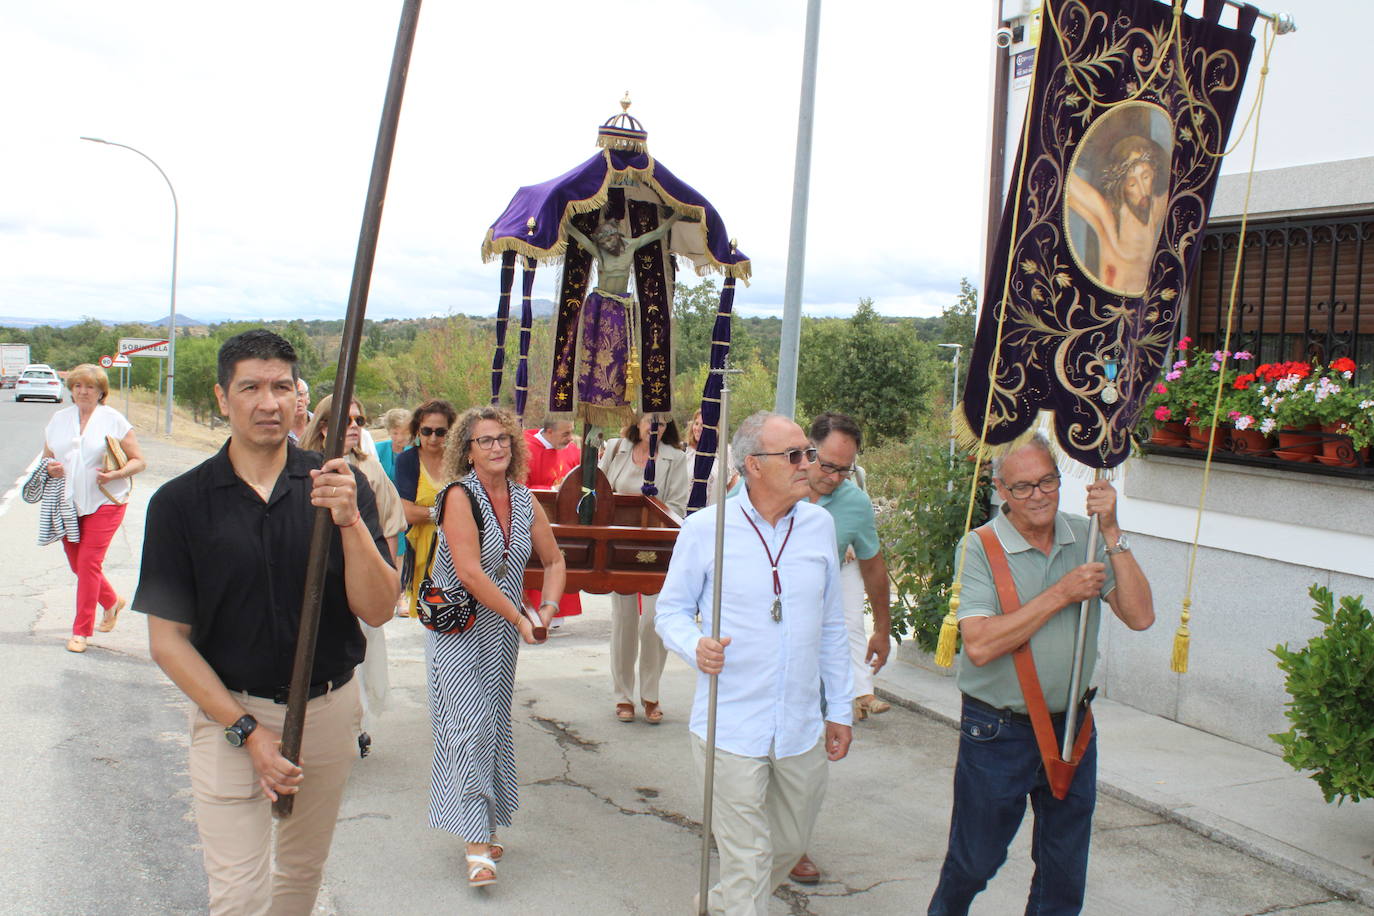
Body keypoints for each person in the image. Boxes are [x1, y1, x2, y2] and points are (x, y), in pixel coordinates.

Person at [133, 330, 398, 915]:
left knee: (300, 876)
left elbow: (379, 608)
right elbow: (167, 643)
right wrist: (247, 732)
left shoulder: (336, 485)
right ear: (223, 398)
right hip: (230, 715)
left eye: (282, 387)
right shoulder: (181, 504)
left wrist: (350, 521)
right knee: (240, 895)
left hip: (327, 711)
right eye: (250, 387)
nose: (268, 402)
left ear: (299, 400)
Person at [927, 434, 1154, 916]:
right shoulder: (980, 547)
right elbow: (981, 644)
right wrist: (1062, 592)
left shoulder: (1087, 538)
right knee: (974, 861)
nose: (1039, 495)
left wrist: (1112, 532)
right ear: (1001, 490)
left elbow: (1140, 616)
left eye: (1048, 482)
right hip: (997, 731)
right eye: (1024, 487)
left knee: (1064, 872)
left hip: (1073, 727)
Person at [656, 411, 852, 915]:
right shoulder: (706, 529)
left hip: (800, 726)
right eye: (794, 455)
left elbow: (832, 625)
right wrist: (694, 644)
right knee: (749, 858)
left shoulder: (819, 525)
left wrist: (841, 709)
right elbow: (670, 611)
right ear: (753, 466)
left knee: (786, 846)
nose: (807, 463)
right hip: (730, 725)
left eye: (807, 452)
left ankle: (722, 904)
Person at [426, 405, 566, 889]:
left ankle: (484, 826)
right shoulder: (457, 496)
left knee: (493, 725)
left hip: (503, 634)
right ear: (466, 450)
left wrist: (545, 610)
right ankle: (475, 845)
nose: (496, 447)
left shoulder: (526, 500)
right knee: (467, 725)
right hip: (459, 628)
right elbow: (467, 571)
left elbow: (554, 560)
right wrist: (520, 615)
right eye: (485, 440)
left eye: (503, 438)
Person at [786, 411, 893, 887]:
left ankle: (794, 844)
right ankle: (754, 835)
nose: (831, 477)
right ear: (808, 451)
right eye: (825, 465)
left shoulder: (853, 504)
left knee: (808, 752)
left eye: (842, 470)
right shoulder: (767, 486)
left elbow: (872, 566)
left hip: (818, 647)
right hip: (760, 642)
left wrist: (882, 627)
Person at [300, 395, 407, 758]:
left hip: (361, 577)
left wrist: (387, 580)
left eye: (360, 421)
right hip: (316, 583)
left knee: (357, 657)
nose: (355, 427)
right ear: (325, 425)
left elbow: (390, 526)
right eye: (346, 420)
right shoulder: (299, 466)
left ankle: (355, 728)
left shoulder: (369, 472)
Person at [41, 363, 146, 653]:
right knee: (77, 563)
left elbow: (139, 460)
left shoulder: (114, 420)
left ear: (101, 391)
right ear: (71, 389)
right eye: (77, 386)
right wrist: (51, 468)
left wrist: (115, 475)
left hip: (105, 501)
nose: (83, 391)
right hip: (67, 504)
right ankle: (111, 601)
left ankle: (81, 631)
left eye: (90, 387)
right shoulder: (58, 420)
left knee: (88, 564)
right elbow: (47, 458)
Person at [599, 412, 692, 724]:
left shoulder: (675, 457)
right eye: (652, 420)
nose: (657, 426)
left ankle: (650, 694)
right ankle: (623, 696)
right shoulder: (615, 448)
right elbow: (597, 493)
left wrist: (656, 507)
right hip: (618, 546)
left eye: (664, 422)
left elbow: (679, 506)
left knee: (652, 621)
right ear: (637, 421)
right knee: (624, 621)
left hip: (657, 547)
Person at [1065, 134, 1169, 295]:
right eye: (1132, 183)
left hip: (1143, 314)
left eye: (1146, 176)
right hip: (1107, 312)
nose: (1142, 190)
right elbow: (1067, 181)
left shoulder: (1156, 208)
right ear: (1122, 187)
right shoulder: (1109, 218)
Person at [395, 399, 457, 618]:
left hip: (458, 547)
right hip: (423, 550)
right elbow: (407, 512)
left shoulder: (458, 461)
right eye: (427, 431)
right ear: (417, 431)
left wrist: (431, 513)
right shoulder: (407, 460)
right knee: (431, 615)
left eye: (440, 432)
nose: (433, 438)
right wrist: (446, 513)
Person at [522, 416, 583, 623]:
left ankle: (556, 613)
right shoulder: (524, 449)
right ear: (548, 431)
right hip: (533, 519)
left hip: (564, 518)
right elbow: (517, 486)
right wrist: (551, 490)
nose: (570, 439)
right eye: (565, 433)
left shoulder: (572, 449)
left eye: (571, 431)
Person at [684, 407, 738, 495]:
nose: (697, 428)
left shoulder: (726, 452)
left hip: (715, 507)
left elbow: (733, 488)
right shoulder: (685, 451)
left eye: (703, 425)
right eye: (696, 423)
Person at [376, 407, 412, 485]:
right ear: (388, 431)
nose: (400, 438)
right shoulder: (377, 449)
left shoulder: (417, 451)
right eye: (395, 433)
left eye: (404, 433)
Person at [287, 377, 312, 443]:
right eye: (293, 396)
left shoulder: (321, 425)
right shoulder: (277, 429)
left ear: (308, 398)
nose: (298, 399)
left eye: (301, 394)